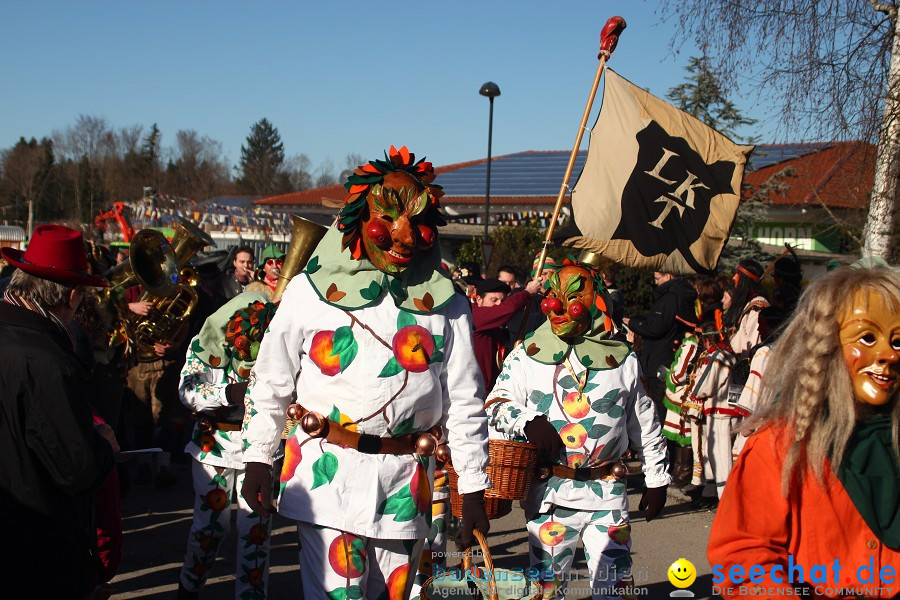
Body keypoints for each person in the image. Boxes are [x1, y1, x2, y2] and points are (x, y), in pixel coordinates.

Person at [240, 146, 491, 600]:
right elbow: (271, 379)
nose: (405, 237)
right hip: (326, 480)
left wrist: (472, 486)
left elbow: (466, 397)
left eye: (417, 222)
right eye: (389, 219)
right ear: (357, 217)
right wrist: (258, 455)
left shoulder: (447, 303)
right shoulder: (309, 293)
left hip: (405, 486)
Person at [708, 266, 900, 598]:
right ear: (827, 346)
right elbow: (743, 561)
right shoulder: (779, 446)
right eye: (868, 337)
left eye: (898, 341)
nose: (888, 355)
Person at [486, 259, 670, 599]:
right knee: (546, 592)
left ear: (597, 303)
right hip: (551, 497)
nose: (556, 305)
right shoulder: (527, 355)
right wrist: (528, 420)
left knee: (613, 590)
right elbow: (496, 404)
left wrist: (656, 478)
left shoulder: (624, 360)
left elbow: (645, 422)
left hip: (609, 497)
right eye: (552, 295)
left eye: (571, 296)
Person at [0, 224, 116, 598]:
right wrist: (102, 444)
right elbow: (76, 469)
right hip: (35, 549)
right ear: (71, 297)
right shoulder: (48, 360)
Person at [177, 291, 277, 600]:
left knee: (256, 534)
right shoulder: (203, 345)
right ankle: (189, 590)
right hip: (214, 449)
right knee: (209, 529)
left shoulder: (275, 347)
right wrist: (228, 393)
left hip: (258, 451)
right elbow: (188, 390)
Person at [623, 271, 698, 418]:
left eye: (658, 278)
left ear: (668, 276)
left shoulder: (670, 298)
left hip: (658, 359)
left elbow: (656, 327)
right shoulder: (680, 296)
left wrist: (634, 323)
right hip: (666, 355)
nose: (656, 282)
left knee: (655, 408)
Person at [471, 276, 544, 392]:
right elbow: (506, 309)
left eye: (502, 301)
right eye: (494, 300)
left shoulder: (497, 325)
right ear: (479, 300)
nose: (499, 304)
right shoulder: (474, 315)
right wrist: (527, 292)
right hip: (476, 390)